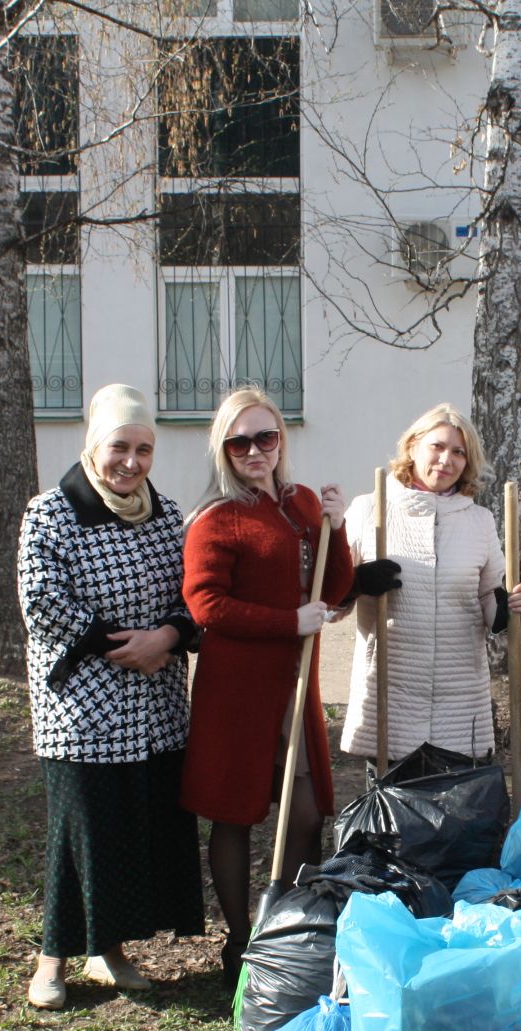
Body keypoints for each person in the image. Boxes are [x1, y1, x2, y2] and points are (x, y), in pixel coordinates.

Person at [17, 385, 203, 1009]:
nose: (131, 461)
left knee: (132, 832)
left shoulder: (167, 514)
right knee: (82, 832)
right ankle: (51, 960)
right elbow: (42, 602)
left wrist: (171, 635)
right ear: (93, 446)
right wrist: (122, 644)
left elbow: (192, 593)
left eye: (144, 448)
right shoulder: (52, 512)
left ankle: (111, 950)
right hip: (83, 708)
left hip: (154, 707)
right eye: (119, 446)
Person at [180, 388, 354, 979]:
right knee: (234, 813)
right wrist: (287, 622)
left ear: (281, 438)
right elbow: (205, 606)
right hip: (238, 691)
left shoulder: (301, 502)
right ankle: (237, 939)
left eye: (266, 437)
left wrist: (336, 527)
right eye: (240, 442)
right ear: (223, 449)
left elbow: (332, 589)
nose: (255, 451)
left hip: (294, 689)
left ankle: (290, 929)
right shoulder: (215, 519)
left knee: (304, 815)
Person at [339, 404, 521, 766]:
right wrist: (357, 583)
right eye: (437, 447)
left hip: (459, 705)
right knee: (392, 819)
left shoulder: (480, 521)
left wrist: (506, 608)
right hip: (390, 696)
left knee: (456, 819)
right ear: (412, 446)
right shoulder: (368, 510)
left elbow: (491, 604)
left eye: (459, 452)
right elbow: (331, 603)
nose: (447, 459)